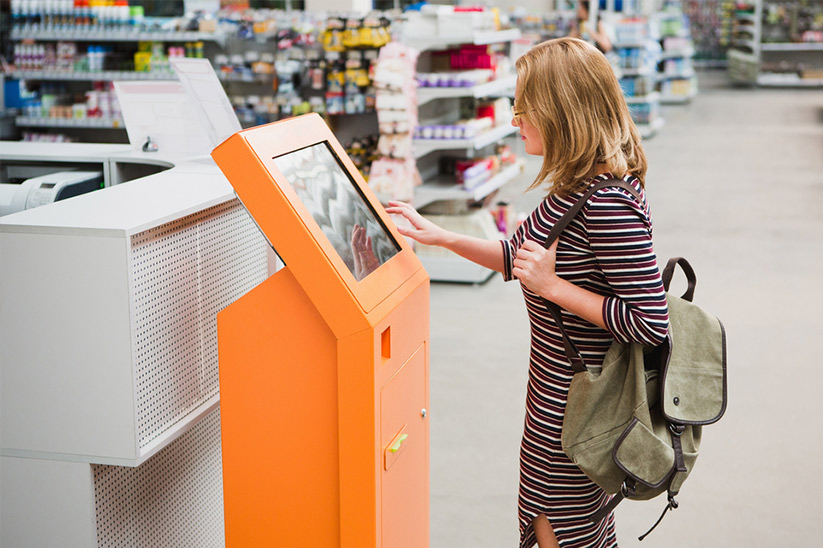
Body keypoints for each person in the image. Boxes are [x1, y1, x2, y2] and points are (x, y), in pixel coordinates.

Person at [386, 37, 670, 548]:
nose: (515, 119)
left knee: (561, 530)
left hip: (584, 409)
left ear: (562, 112)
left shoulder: (607, 203)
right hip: (553, 402)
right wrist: (440, 235)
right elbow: (520, 257)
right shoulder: (576, 189)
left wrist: (553, 287)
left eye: (523, 107)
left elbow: (650, 323)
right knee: (558, 527)